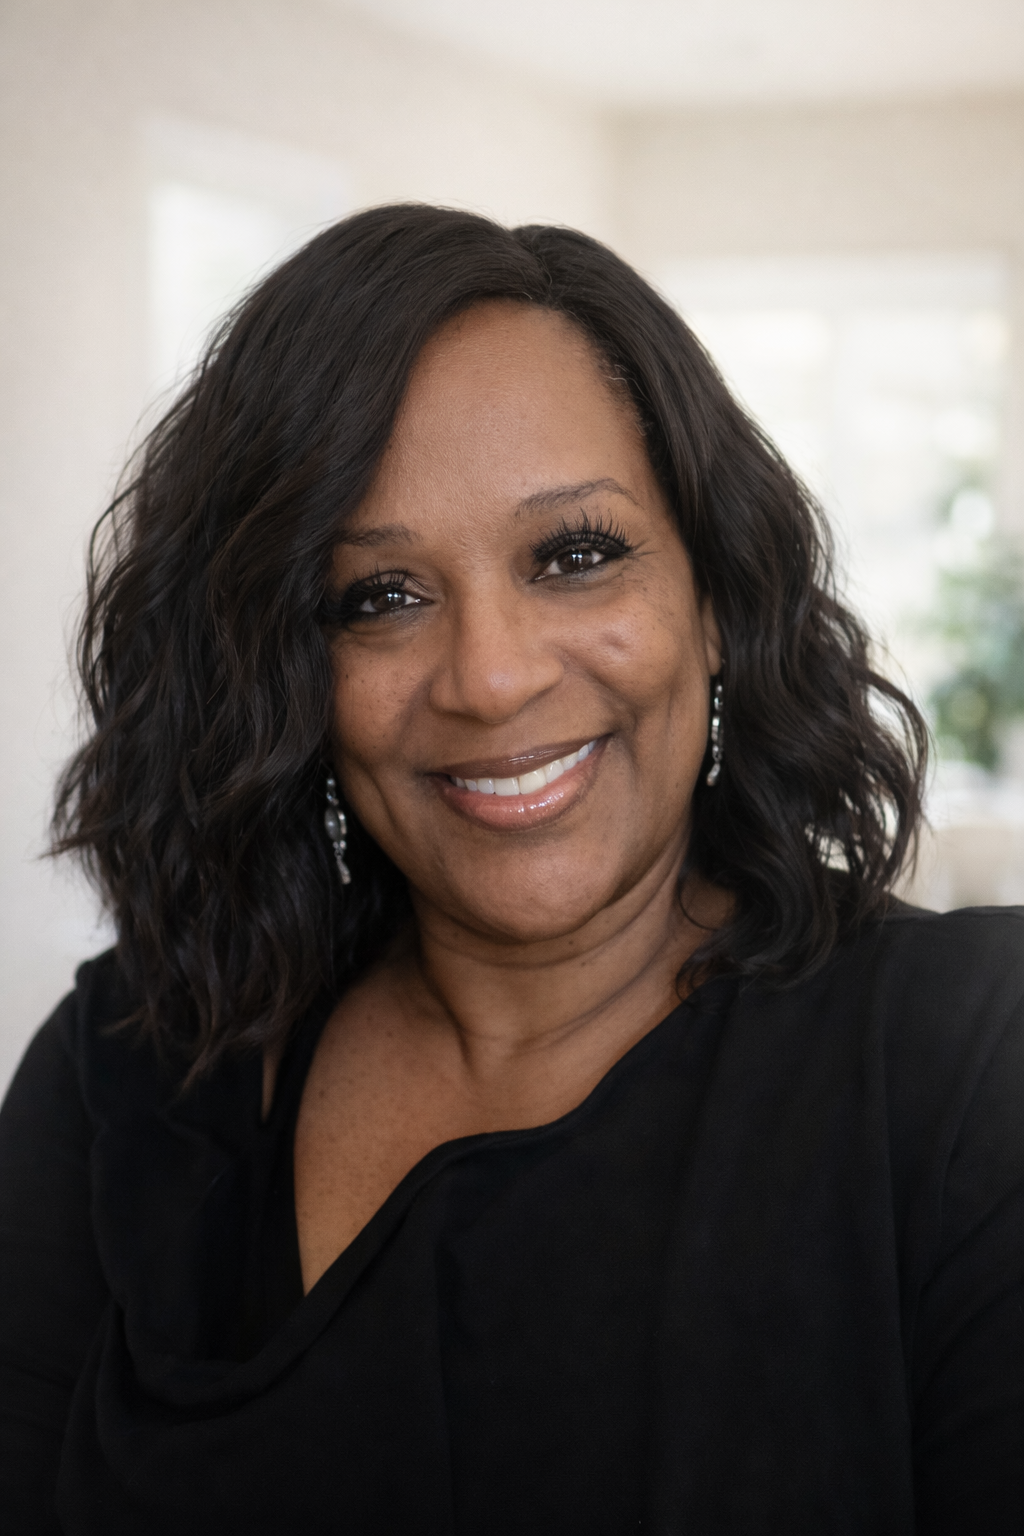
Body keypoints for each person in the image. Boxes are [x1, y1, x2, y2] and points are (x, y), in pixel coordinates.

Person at [1, 204, 1021, 1536]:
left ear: (714, 597)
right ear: (285, 674)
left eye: (575, 556)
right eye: (380, 596)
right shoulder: (125, 1074)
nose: (491, 676)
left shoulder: (970, 1061)